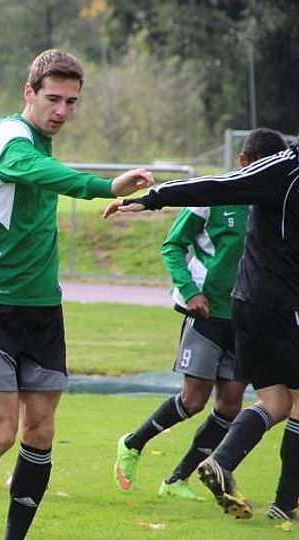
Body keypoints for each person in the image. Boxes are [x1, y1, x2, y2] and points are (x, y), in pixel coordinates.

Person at [0, 49, 154, 540]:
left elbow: (3, 207)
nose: (61, 110)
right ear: (29, 92)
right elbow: (28, 170)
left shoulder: (41, 147)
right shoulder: (9, 134)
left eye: (71, 102)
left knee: (40, 432)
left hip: (42, 309)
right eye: (52, 99)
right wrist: (104, 187)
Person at [104, 129, 299, 521]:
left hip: (246, 305)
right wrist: (152, 198)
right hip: (263, 306)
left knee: (272, 402)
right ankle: (284, 503)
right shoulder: (284, 169)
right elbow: (212, 189)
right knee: (195, 399)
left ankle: (216, 463)